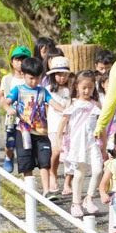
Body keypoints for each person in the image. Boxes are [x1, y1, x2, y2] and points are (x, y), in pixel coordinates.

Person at [3, 57, 53, 193]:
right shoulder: (17, 90)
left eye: (37, 78)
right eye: (31, 78)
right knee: (26, 161)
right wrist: (9, 109)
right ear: (23, 75)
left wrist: (66, 110)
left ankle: (46, 191)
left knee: (45, 161)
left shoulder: (42, 91)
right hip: (23, 131)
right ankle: (30, 190)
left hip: (41, 132)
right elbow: (5, 102)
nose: (34, 81)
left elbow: (53, 103)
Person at [60, 70, 103, 214]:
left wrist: (102, 145)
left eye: (90, 88)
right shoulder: (73, 103)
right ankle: (75, 203)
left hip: (92, 143)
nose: (87, 91)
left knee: (98, 170)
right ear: (77, 86)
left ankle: (89, 198)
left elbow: (100, 124)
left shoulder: (95, 104)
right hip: (78, 143)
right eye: (84, 87)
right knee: (79, 173)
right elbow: (63, 121)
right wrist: (58, 141)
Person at [0, 46, 32, 173]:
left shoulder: (30, 78)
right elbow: (1, 96)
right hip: (12, 115)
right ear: (12, 62)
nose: (20, 63)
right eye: (17, 59)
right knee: (10, 139)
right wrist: (6, 107)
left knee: (26, 140)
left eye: (24, 60)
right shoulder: (7, 79)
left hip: (27, 115)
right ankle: (8, 156)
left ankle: (25, 162)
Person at [45, 56, 74, 195]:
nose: (62, 78)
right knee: (56, 151)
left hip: (70, 127)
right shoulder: (48, 89)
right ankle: (53, 174)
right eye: (58, 74)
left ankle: (68, 182)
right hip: (54, 126)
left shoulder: (72, 90)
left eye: (64, 74)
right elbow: (48, 107)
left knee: (70, 154)